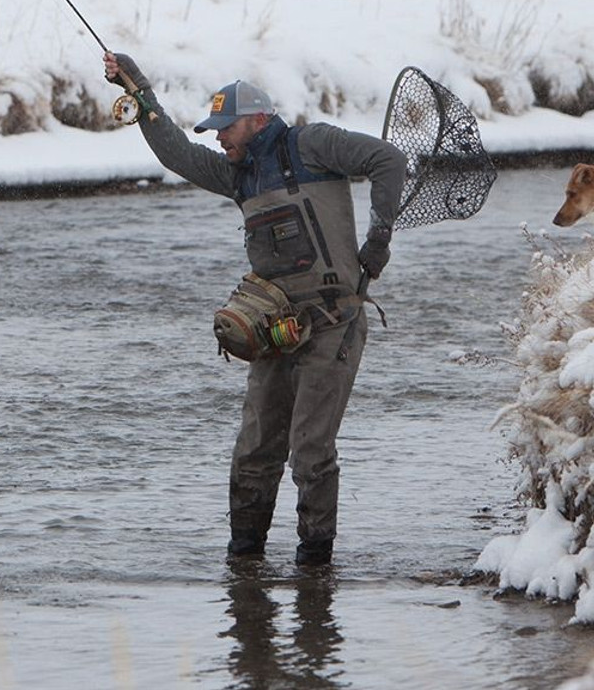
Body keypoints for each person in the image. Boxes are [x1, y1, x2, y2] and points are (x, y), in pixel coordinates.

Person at [104, 51, 407, 566]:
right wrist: (140, 92)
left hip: (336, 323)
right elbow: (176, 153)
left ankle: (315, 565)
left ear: (259, 120)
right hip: (275, 328)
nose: (219, 137)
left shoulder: (313, 144)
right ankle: (244, 560)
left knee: (310, 452)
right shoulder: (236, 173)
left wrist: (378, 241)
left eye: (226, 127)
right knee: (254, 451)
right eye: (216, 129)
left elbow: (389, 161)